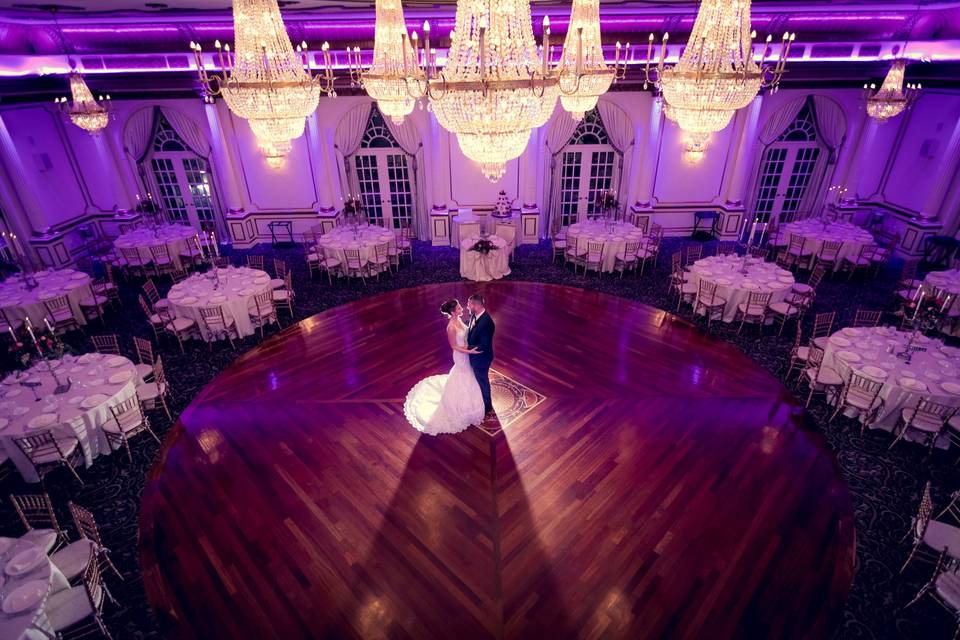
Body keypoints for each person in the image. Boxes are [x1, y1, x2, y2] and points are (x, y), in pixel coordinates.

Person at [402, 298, 486, 435]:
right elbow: (454, 346)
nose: (462, 309)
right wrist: (469, 351)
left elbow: (466, 333)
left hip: (467, 352)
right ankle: (460, 407)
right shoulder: (451, 327)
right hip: (461, 356)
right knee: (463, 375)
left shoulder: (458, 320)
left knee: (468, 376)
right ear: (453, 312)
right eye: (459, 308)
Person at [466, 293, 496, 418]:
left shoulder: (486, 323)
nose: (467, 306)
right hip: (476, 357)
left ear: (475, 305)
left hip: (481, 359)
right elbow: (471, 327)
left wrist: (464, 349)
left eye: (468, 304)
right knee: (478, 380)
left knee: (483, 381)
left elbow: (483, 345)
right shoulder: (475, 314)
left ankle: (487, 406)